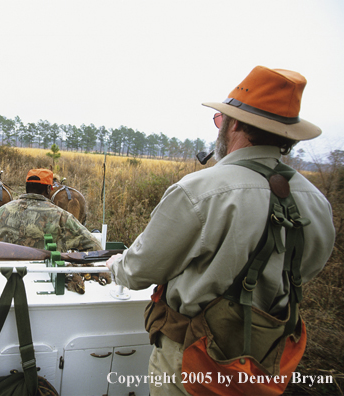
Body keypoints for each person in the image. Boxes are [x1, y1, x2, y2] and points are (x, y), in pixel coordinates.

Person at [105, 66, 335, 395]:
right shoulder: (316, 201)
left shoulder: (199, 190)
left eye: (219, 121)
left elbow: (141, 269)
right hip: (270, 360)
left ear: (235, 124)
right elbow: (307, 268)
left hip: (194, 359)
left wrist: (117, 266)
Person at [0, 168, 102, 252]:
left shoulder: (2, 211)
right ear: (49, 189)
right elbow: (94, 246)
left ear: (27, 187)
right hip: (47, 275)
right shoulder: (61, 216)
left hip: (6, 273)